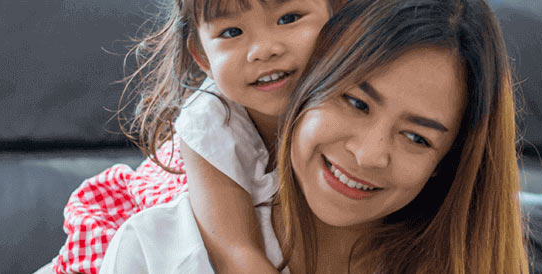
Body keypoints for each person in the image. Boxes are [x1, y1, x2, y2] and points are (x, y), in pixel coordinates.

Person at [101, 0, 531, 273]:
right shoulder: (157, 247)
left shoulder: (463, 248)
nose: (367, 154)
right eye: (356, 102)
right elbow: (234, 249)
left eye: (417, 138)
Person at [47, 0, 343, 273]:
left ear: (340, 12)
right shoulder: (210, 119)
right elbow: (235, 252)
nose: (263, 50)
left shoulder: (356, 95)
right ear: (202, 57)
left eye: (289, 18)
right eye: (232, 32)